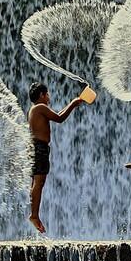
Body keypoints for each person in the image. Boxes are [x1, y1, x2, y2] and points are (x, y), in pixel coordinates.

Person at [27, 82, 85, 233]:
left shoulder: (34, 109)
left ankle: (34, 214)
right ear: (41, 95)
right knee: (38, 182)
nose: (49, 97)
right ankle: (33, 215)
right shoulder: (40, 107)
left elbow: (57, 116)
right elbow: (59, 118)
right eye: (47, 94)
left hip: (37, 147)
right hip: (39, 148)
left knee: (37, 182)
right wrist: (73, 103)